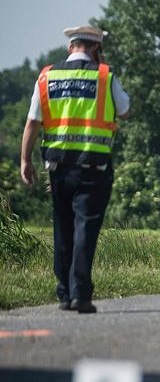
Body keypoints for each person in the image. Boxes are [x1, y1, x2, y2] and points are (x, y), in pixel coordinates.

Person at [19, 25, 129, 313]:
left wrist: (25, 160)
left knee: (63, 228)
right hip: (94, 166)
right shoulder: (104, 76)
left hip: (58, 167)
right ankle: (80, 293)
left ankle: (64, 293)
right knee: (85, 229)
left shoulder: (47, 77)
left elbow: (32, 122)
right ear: (95, 48)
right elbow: (126, 109)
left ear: (71, 47)